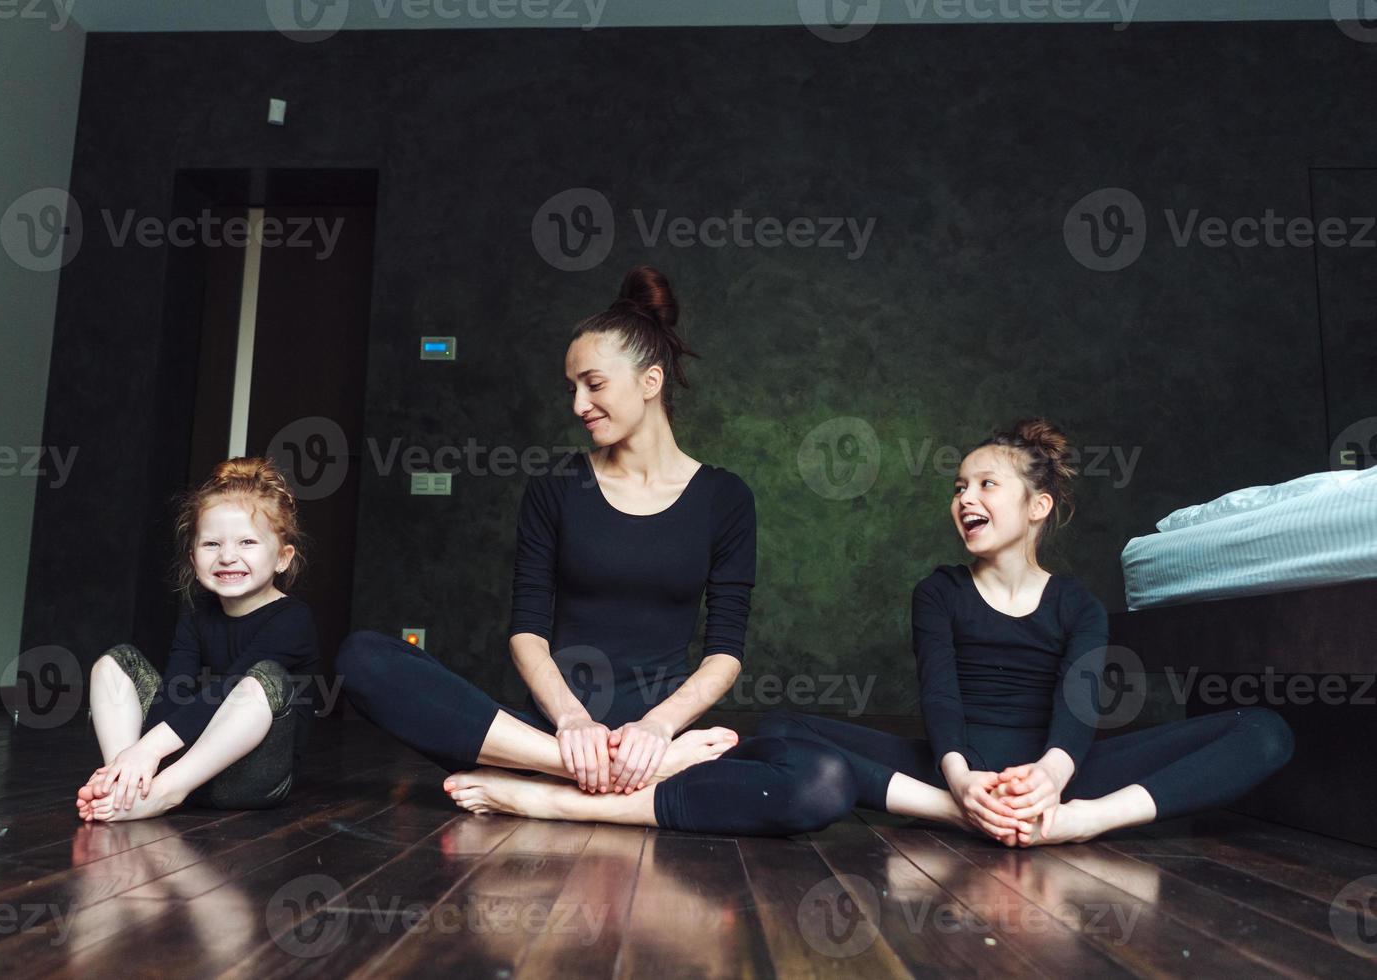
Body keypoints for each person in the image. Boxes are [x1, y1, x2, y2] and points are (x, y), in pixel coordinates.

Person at [337, 266, 854, 836]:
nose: (578, 404)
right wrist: (571, 728)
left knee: (820, 777)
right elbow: (527, 631)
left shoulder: (725, 498)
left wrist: (657, 732)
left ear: (650, 381)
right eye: (572, 389)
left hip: (657, 745)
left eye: (594, 384)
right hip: (541, 736)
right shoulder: (555, 489)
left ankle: (555, 799)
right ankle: (565, 775)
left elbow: (724, 652)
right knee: (362, 657)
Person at [761, 418, 1294, 845]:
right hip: (950, 773)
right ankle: (957, 816)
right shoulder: (939, 591)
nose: (965, 498)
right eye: (959, 488)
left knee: (1265, 731)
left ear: (1037, 506)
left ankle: (1078, 822)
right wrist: (962, 784)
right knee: (780, 726)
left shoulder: (1078, 604)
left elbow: (1078, 705)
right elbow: (940, 694)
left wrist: (1051, 781)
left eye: (986, 484)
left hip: (1058, 777)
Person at [75, 458, 318, 822]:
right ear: (193, 557)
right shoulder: (197, 612)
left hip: (249, 778)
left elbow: (228, 691)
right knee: (114, 662)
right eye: (211, 544)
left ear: (283, 558)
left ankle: (162, 792)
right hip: (186, 765)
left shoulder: (292, 619)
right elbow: (174, 691)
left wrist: (151, 748)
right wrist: (139, 756)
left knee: (260, 679)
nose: (228, 556)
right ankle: (126, 782)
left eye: (247, 542)